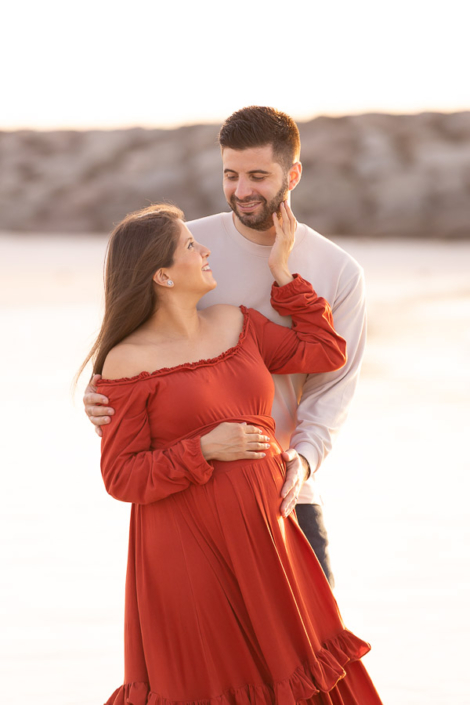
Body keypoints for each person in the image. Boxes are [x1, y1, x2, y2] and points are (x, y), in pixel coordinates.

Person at [80, 200, 382, 704]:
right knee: (213, 681)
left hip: (267, 535)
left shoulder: (234, 322)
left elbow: (326, 351)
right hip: (186, 548)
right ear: (163, 276)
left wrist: (283, 273)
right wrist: (202, 449)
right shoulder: (126, 360)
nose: (205, 250)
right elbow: (122, 477)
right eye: (191, 246)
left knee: (300, 673)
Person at [84, 107, 366, 587]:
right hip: (187, 493)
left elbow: (332, 385)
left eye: (258, 176)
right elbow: (136, 338)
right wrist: (101, 396)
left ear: (292, 174)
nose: (242, 190)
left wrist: (302, 461)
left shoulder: (337, 270)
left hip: (281, 488)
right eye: (231, 175)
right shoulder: (188, 245)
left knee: (318, 646)